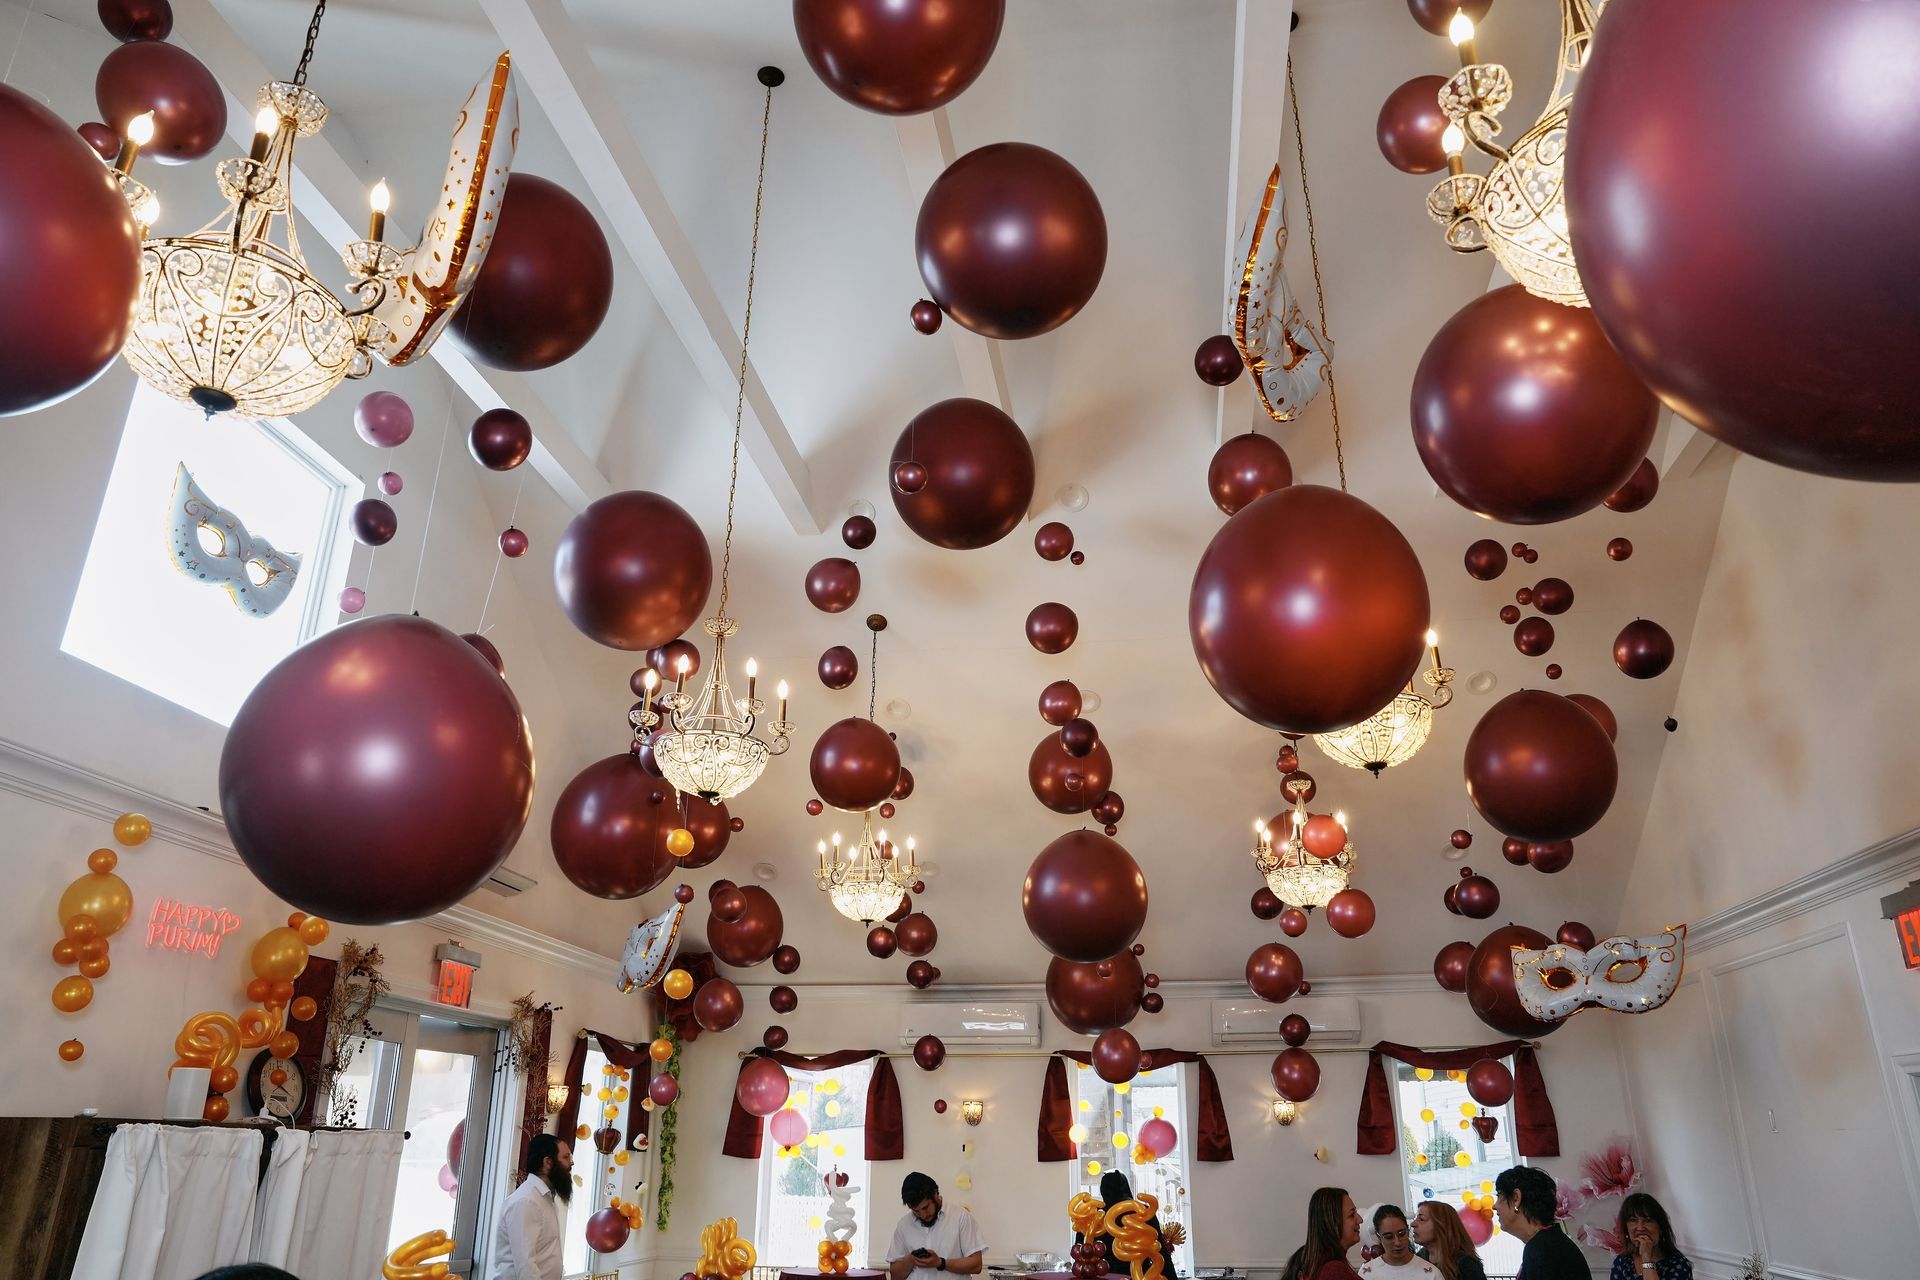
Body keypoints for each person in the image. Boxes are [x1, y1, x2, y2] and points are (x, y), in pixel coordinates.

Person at [490, 1133, 572, 1280]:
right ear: (548, 1162)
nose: (571, 1163)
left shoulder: (545, 1198)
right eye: (566, 1157)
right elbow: (525, 1265)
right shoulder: (526, 1201)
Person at [884, 1172, 987, 1280]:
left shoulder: (960, 1218)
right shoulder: (904, 1225)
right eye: (916, 1211)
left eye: (925, 1207)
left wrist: (940, 1263)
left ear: (935, 1195)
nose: (923, 1215)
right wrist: (911, 1259)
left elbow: (976, 1265)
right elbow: (895, 1275)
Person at [1492, 1167, 1584, 1280]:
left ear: (1516, 1198)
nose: (1494, 1206)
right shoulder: (1548, 1243)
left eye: (1499, 1196)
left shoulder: (1542, 1250)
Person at [1098, 1171, 1186, 1277]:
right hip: (1139, 1274)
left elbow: (1082, 1248)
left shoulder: (1096, 1215)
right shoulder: (1143, 1212)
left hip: (1102, 1275)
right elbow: (1160, 1250)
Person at [1281, 1187, 1363, 1280]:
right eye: (1352, 1215)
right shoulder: (1334, 1271)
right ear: (1333, 1223)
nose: (1360, 1219)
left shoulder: (1326, 1264)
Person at [1609, 1193, 1692, 1280]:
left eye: (1647, 1220)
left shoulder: (1678, 1264)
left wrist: (1646, 1258)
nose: (1640, 1228)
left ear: (1660, 1228)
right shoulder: (1622, 1262)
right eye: (1633, 1220)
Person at [1411, 1202, 1485, 1280]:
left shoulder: (1466, 1265)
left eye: (1421, 1219)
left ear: (1442, 1225)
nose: (1413, 1224)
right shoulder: (1419, 1259)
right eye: (1416, 1219)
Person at [1359, 1205, 1436, 1277]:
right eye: (1389, 1237)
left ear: (1408, 1230)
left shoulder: (1431, 1273)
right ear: (1378, 1236)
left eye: (1402, 1234)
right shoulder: (1366, 1273)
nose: (1397, 1242)